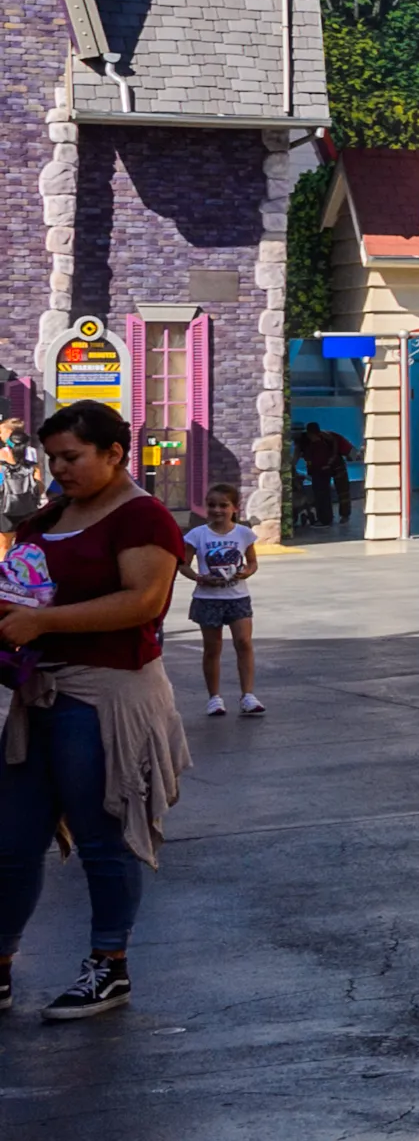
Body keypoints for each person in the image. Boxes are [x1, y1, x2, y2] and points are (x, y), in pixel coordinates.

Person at [0, 401, 192, 1022]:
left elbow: (143, 601)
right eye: (53, 457)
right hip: (42, 689)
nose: (59, 469)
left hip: (107, 693)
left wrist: (41, 622)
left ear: (115, 453)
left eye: (72, 457)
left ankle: (110, 968)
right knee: (12, 841)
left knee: (102, 837)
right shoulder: (56, 511)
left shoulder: (144, 517)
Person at [183, 483, 259, 717]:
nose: (217, 510)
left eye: (223, 505)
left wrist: (246, 572)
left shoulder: (244, 533)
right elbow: (182, 564)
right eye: (212, 505)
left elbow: (252, 562)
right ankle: (214, 697)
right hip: (208, 598)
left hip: (237, 597)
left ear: (235, 508)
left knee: (243, 642)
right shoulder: (197, 535)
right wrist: (199, 577)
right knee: (212, 648)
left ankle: (248, 695)